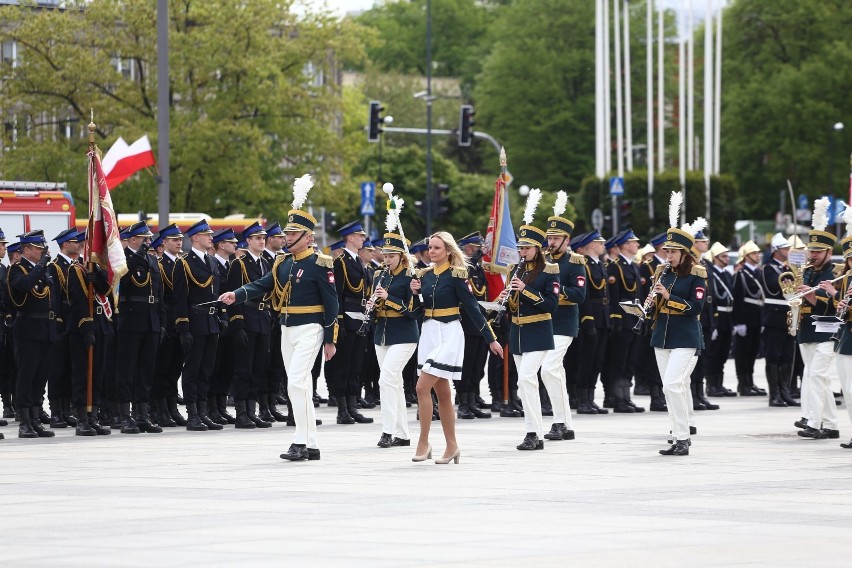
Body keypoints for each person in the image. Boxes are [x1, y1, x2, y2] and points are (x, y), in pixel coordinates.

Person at [220, 178, 338, 461]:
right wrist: (236, 295)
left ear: (308, 237)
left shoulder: (320, 263)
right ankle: (312, 444)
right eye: (286, 233)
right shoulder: (282, 263)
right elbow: (262, 284)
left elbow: (332, 304)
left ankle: (299, 441)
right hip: (287, 328)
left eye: (293, 233)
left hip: (311, 327)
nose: (287, 238)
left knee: (296, 382)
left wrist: (331, 339)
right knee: (301, 385)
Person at [410, 232, 503, 464]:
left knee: (422, 387)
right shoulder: (425, 276)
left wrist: (490, 338)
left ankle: (423, 442)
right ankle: (452, 446)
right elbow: (414, 312)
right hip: (429, 333)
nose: (431, 252)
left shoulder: (457, 275)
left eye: (437, 248)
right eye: (430, 248)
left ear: (448, 251)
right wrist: (414, 294)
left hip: (449, 333)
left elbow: (472, 307)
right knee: (442, 393)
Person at [650, 194, 707, 456]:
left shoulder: (697, 275)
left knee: (672, 385)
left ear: (684, 253)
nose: (667, 256)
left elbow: (695, 307)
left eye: (672, 252)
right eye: (666, 252)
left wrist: (668, 297)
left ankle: (683, 436)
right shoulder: (662, 272)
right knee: (671, 386)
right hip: (662, 336)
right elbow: (657, 305)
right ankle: (676, 433)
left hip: (686, 337)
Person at [497, 220, 559, 450]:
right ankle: (534, 433)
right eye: (520, 248)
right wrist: (507, 297)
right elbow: (514, 306)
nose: (522, 253)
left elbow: (551, 306)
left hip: (539, 332)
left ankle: (533, 432)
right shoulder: (514, 270)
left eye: (527, 248)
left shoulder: (549, 271)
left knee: (525, 379)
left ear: (538, 249)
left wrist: (525, 290)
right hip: (518, 333)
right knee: (525, 385)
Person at [369, 228, 419, 448]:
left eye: (391, 255)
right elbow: (375, 303)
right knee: (394, 383)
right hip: (382, 333)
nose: (386, 259)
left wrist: (388, 298)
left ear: (402, 256)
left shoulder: (411, 276)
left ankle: (387, 431)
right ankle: (403, 434)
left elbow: (413, 310)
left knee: (386, 379)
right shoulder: (379, 275)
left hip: (404, 333)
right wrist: (371, 305)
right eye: (385, 255)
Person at [115, 221, 165, 434]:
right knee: (127, 370)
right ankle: (125, 415)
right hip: (130, 320)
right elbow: (122, 284)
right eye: (144, 238)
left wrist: (161, 322)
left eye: (148, 238)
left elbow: (159, 291)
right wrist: (136, 257)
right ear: (133, 239)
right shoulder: (123, 259)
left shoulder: (152, 260)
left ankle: (142, 414)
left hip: (151, 320)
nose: (148, 241)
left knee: (146, 370)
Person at [796, 198, 840, 440]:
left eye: (817, 251)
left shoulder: (836, 273)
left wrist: (813, 296)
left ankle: (814, 422)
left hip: (828, 330)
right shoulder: (807, 271)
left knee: (816, 376)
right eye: (810, 250)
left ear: (828, 252)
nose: (812, 254)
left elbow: (838, 301)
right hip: (806, 329)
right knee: (817, 378)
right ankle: (832, 425)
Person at [7, 230, 58, 438]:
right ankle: (25, 421)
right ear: (26, 249)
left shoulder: (41, 270)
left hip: (45, 328)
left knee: (40, 376)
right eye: (38, 248)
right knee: (26, 376)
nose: (42, 252)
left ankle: (36, 418)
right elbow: (25, 287)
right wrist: (39, 267)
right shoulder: (17, 270)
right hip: (27, 328)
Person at [173, 219, 223, 431]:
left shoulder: (211, 262)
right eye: (207, 234)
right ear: (195, 238)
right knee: (193, 369)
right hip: (195, 320)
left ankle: (203, 411)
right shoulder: (184, 263)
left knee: (206, 369)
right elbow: (180, 299)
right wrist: (183, 327)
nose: (211, 237)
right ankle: (193, 413)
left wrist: (221, 317)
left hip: (211, 321)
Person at [542, 202, 585, 441]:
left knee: (549, 369)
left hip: (565, 322)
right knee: (556, 372)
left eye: (557, 238)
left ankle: (558, 422)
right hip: (545, 321)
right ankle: (566, 425)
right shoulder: (543, 260)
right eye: (549, 237)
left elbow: (579, 295)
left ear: (567, 240)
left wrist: (554, 291)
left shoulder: (575, 262)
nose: (552, 242)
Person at [225, 222, 274, 429]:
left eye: (263, 238)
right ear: (248, 241)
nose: (262, 241)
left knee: (259, 367)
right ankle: (241, 412)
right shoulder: (240, 263)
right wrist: (238, 325)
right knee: (244, 368)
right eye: (257, 238)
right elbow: (233, 295)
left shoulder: (266, 263)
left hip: (263, 318)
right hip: (247, 316)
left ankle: (252, 411)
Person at [326, 220, 374, 424]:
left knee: (356, 365)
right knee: (343, 365)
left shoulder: (358, 263)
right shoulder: (341, 262)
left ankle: (353, 406)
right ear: (351, 238)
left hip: (360, 318)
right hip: (347, 318)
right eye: (360, 235)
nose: (363, 239)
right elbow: (336, 294)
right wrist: (339, 322)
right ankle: (342, 409)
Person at [65, 244, 113, 436]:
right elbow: (76, 301)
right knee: (82, 374)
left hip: (101, 326)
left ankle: (93, 416)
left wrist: (100, 278)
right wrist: (86, 327)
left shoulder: (96, 271)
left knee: (98, 373)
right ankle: (82, 418)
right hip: (82, 329)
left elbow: (107, 293)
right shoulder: (75, 270)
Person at [149, 224, 187, 427]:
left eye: (180, 239)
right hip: (167, 318)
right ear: (164, 243)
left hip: (180, 321)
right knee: (162, 368)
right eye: (174, 240)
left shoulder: (183, 263)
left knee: (175, 368)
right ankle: (159, 409)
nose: (178, 242)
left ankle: (172, 407)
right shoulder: (160, 264)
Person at [46, 228, 84, 429]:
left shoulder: (77, 266)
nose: (78, 244)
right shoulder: (55, 267)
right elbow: (55, 298)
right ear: (64, 244)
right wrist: (58, 323)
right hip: (61, 324)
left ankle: (67, 409)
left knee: (71, 368)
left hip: (75, 325)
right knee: (57, 369)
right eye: (74, 241)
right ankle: (56, 411)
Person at [606, 229, 646, 413]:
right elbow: (613, 297)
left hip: (635, 318)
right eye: (634, 242)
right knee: (619, 361)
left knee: (631, 361)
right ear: (625, 245)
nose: (637, 245)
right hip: (623, 319)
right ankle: (617, 399)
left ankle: (626, 397)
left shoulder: (634, 266)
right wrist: (616, 320)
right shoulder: (615, 266)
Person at [758, 233, 799, 407]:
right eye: (784, 248)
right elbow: (774, 285)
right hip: (774, 316)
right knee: (773, 357)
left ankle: (785, 392)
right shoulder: (769, 268)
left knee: (787, 356)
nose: (788, 251)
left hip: (789, 316)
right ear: (776, 250)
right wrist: (792, 276)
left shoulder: (787, 268)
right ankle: (774, 395)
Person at [572, 231, 610, 414]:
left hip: (603, 317)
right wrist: (588, 320)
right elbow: (584, 296)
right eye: (598, 242)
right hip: (591, 316)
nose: (602, 245)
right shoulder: (584, 265)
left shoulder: (600, 265)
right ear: (588, 246)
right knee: (585, 360)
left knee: (598, 360)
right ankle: (581, 399)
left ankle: (591, 397)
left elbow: (606, 294)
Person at [456, 231, 492, 420]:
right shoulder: (463, 266)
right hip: (467, 323)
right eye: (478, 248)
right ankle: (463, 403)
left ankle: (472, 400)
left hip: (479, 321)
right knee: (467, 364)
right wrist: (477, 256)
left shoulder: (478, 269)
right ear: (469, 249)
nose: (482, 251)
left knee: (477, 365)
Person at [824, 221, 852, 447]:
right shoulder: (847, 279)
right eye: (850, 259)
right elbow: (840, 308)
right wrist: (838, 299)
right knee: (847, 390)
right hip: (846, 338)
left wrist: (834, 293)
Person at [208, 228, 238, 425]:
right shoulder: (214, 265)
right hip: (217, 320)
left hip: (231, 321)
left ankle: (220, 405)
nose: (235, 244)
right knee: (214, 366)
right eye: (231, 242)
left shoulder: (231, 265)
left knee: (228, 365)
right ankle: (211, 408)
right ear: (221, 245)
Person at [732, 240, 766, 397]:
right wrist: (739, 322)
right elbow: (737, 300)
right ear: (746, 256)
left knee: (753, 351)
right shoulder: (741, 274)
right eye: (753, 253)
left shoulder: (759, 273)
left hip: (757, 317)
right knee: (743, 352)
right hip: (745, 318)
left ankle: (750, 382)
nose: (757, 255)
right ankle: (743, 383)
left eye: (758, 253)